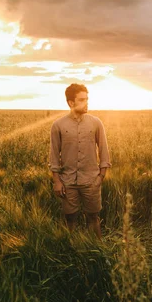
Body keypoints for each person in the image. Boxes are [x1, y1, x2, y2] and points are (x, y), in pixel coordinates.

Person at [49, 83, 111, 238]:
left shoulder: (96, 123)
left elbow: (104, 151)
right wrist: (57, 181)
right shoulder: (58, 125)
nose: (86, 103)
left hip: (91, 180)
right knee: (70, 218)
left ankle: (98, 250)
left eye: (87, 99)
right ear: (71, 103)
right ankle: (70, 250)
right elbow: (54, 156)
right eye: (82, 100)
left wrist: (100, 177)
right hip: (68, 181)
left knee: (93, 217)